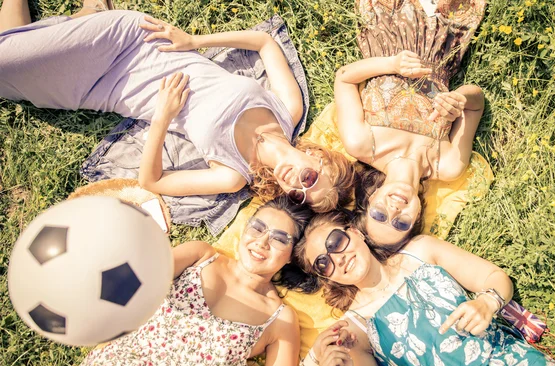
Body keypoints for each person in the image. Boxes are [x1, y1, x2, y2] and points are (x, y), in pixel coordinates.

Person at [0, 0, 355, 212]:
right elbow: (263, 43)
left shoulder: (232, 175)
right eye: (310, 179)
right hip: (135, 43)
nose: (297, 184)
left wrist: (162, 117)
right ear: (318, 158)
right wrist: (194, 40)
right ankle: (90, 17)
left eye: (297, 195)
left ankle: (86, 13)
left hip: (104, 90)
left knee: (9, 66)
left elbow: (150, 181)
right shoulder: (288, 110)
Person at [55, 197, 346, 366]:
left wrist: (313, 363)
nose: (261, 242)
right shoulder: (201, 255)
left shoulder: (280, 318)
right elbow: (136, 277)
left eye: (279, 238)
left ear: (292, 256)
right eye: (258, 227)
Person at [293, 211, 555, 366]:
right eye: (323, 262)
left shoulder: (421, 251)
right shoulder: (355, 329)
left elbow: (494, 277)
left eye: (336, 242)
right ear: (326, 277)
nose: (337, 257)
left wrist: (487, 303)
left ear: (355, 231)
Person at [335, 0, 486, 249]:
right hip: (444, 37)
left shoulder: (362, 144)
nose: (393, 211)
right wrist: (459, 99)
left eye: (379, 216)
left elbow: (344, 79)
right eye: (400, 224)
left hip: (389, 28)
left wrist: (391, 64)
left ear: (369, 201)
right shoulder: (447, 165)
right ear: (417, 219)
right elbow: (476, 102)